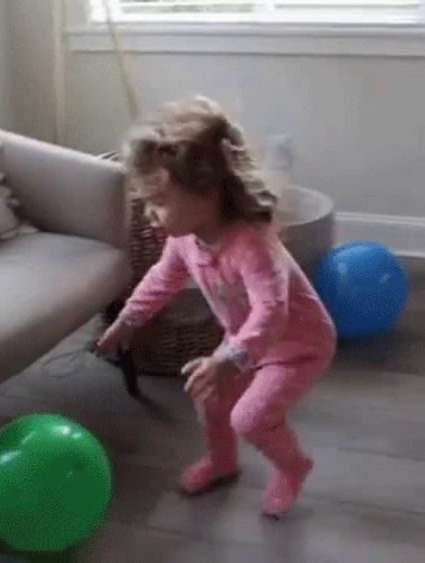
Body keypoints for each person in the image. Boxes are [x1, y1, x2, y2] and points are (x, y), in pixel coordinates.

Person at [96, 97, 336, 517]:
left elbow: (271, 313)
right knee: (211, 399)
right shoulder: (185, 238)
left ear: (206, 192)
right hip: (244, 339)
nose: (150, 215)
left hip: (296, 345)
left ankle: (295, 467)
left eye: (159, 202)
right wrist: (129, 319)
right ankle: (223, 463)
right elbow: (162, 278)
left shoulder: (252, 244)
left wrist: (228, 359)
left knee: (250, 418)